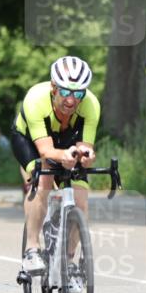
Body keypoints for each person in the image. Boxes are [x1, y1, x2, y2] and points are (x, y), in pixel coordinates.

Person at [11, 56, 99, 276]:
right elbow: (45, 151)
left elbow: (85, 146)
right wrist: (63, 156)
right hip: (30, 140)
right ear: (53, 87)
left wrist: (86, 156)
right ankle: (32, 248)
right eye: (66, 92)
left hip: (66, 141)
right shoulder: (36, 99)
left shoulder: (91, 105)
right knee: (43, 180)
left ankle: (69, 262)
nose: (72, 100)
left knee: (81, 200)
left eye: (78, 93)